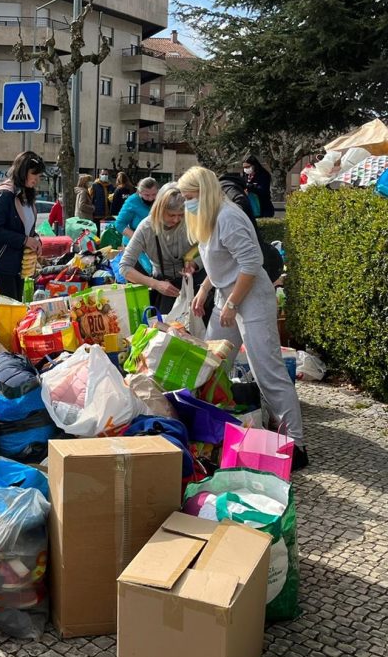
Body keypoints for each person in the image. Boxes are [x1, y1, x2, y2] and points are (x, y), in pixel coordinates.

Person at [178, 165, 308, 470]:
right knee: (211, 364)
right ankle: (212, 434)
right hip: (231, 297)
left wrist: (233, 303)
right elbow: (221, 263)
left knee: (268, 373)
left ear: (205, 193)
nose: (187, 204)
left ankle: (297, 446)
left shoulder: (228, 217)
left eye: (190, 197)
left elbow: (251, 264)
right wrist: (204, 290)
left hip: (250, 299)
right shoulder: (211, 216)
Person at [117, 184, 210, 316]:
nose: (176, 220)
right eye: (171, 215)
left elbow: (209, 248)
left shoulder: (191, 221)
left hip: (196, 283)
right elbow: (124, 267)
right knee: (168, 328)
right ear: (159, 210)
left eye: (180, 215)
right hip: (165, 285)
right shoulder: (146, 228)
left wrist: (194, 262)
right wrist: (155, 284)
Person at [0, 151, 46, 300]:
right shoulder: (5, 194)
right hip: (2, 261)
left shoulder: (26, 195)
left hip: (19, 262)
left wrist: (35, 240)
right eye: (34, 174)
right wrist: (25, 240)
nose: (37, 179)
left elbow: (27, 227)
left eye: (39, 176)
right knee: (10, 307)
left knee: (17, 305)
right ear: (23, 171)